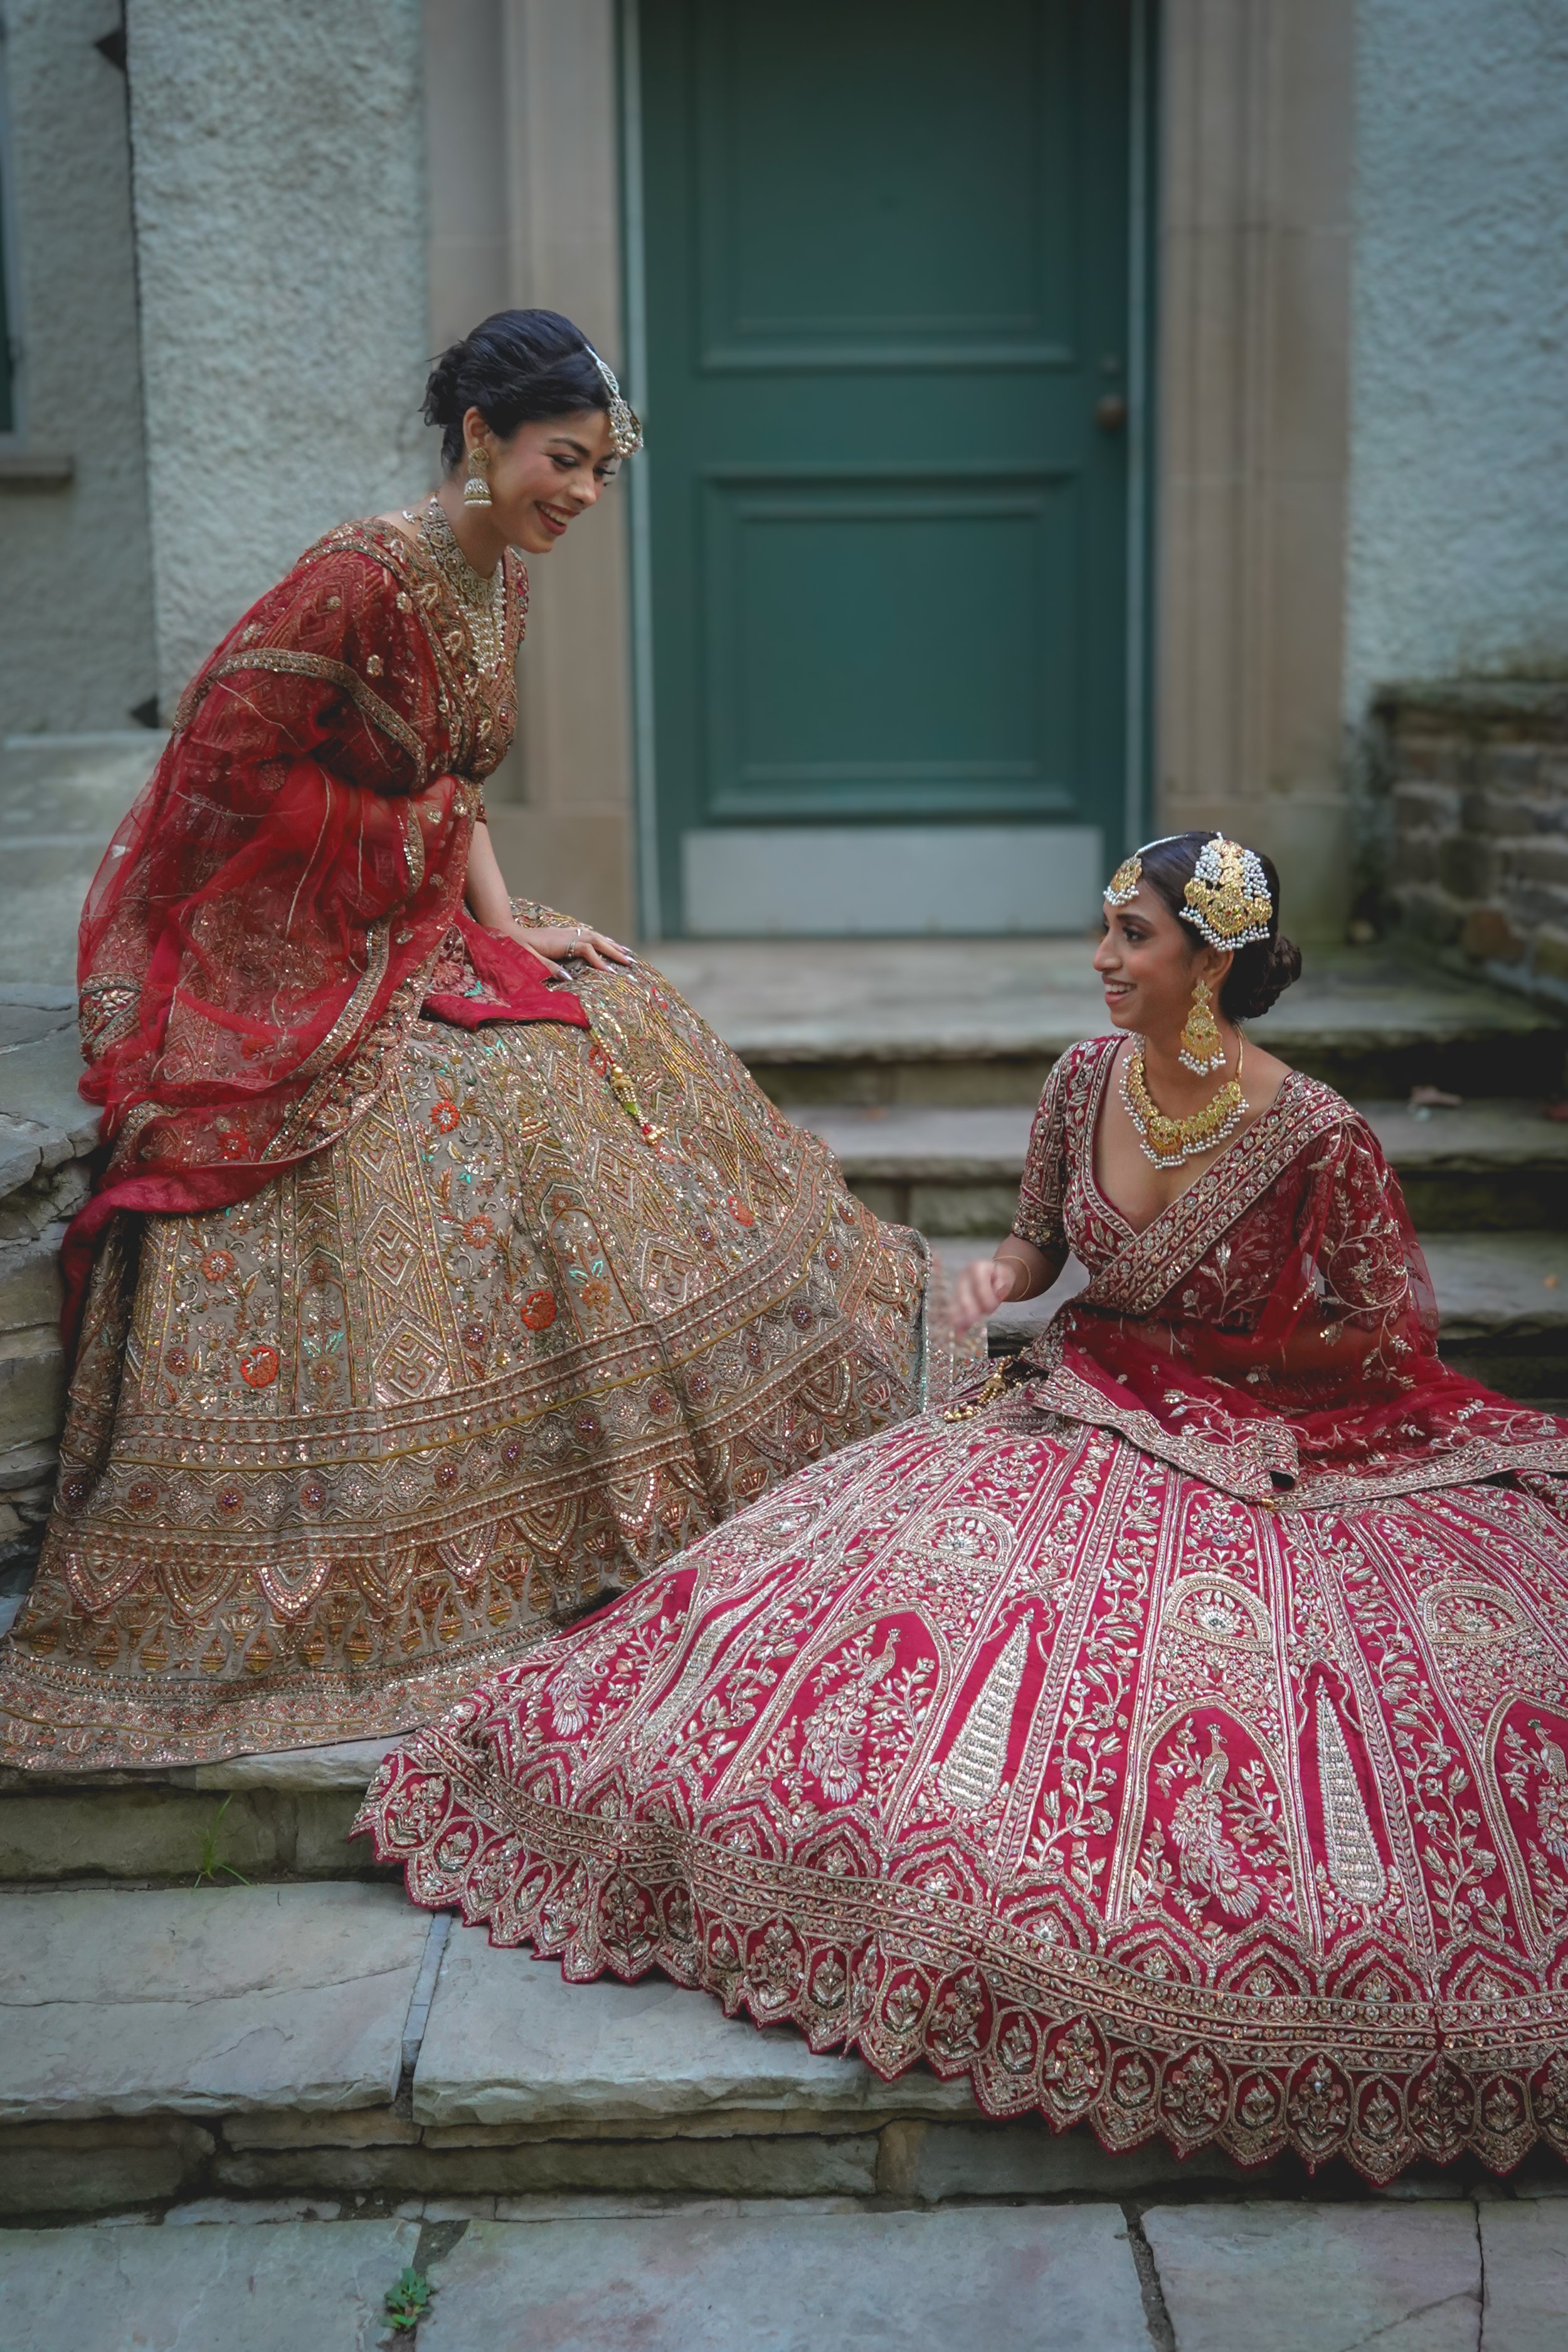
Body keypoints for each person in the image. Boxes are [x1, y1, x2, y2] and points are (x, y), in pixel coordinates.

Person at [359, 830, 1568, 2186]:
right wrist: (996, 1284)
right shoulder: (1080, 1080)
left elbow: (1383, 1333)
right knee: (840, 1611)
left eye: (1135, 938)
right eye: (1105, 929)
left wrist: (1252, 1395)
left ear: (1210, 963)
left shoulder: (1315, 1133)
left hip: (1253, 1438)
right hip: (1083, 1396)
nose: (1103, 960)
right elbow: (1037, 1243)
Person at [0, 310, 956, 1771]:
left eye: (597, 472)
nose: (578, 495)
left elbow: (455, 786)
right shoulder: (356, 574)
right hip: (286, 950)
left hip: (411, 919)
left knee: (619, 1016)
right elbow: (220, 767)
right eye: (560, 461)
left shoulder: (494, 581)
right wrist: (403, 878)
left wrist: (504, 930)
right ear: (479, 440)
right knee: (513, 1109)